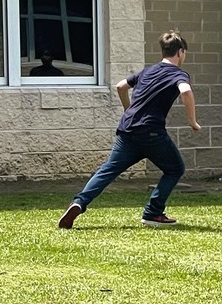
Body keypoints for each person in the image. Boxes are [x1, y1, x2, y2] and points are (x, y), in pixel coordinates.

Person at [59, 30, 201, 229]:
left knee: (108, 170)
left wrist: (129, 110)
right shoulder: (178, 74)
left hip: (128, 129)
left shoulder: (148, 71)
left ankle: (79, 203)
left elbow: (121, 86)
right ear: (180, 52)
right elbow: (185, 91)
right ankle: (153, 213)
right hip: (151, 132)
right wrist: (192, 121)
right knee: (175, 169)